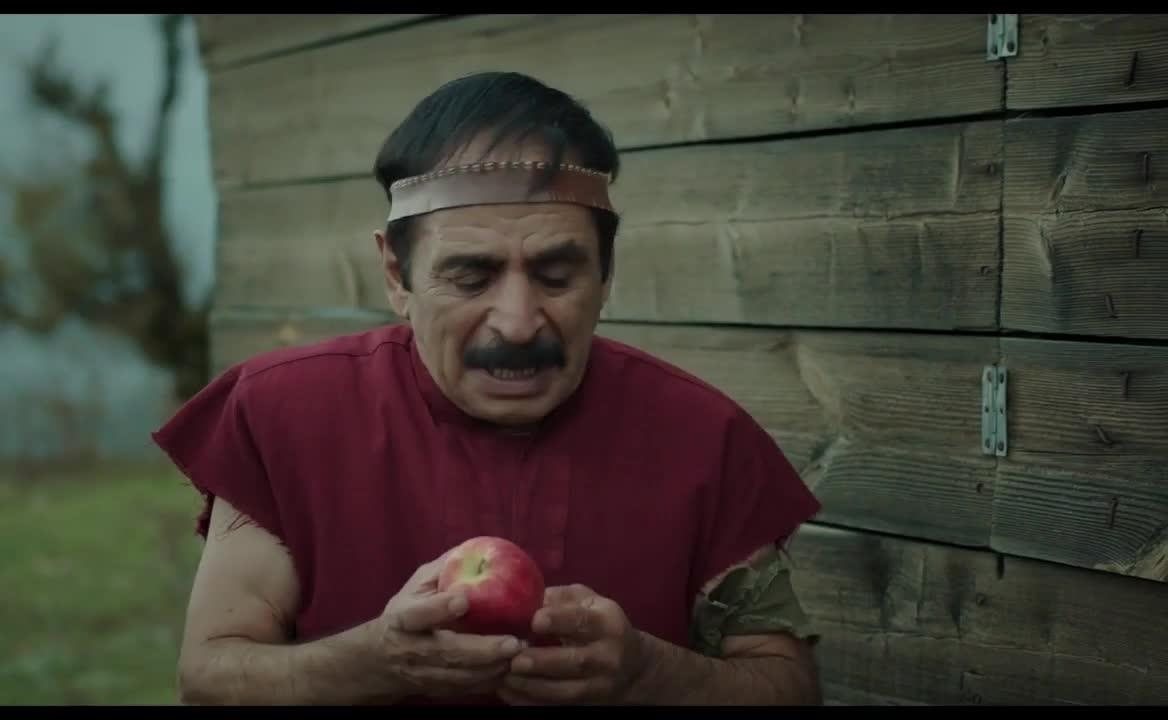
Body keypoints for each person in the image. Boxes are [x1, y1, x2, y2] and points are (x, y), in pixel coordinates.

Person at [154, 71, 824, 706]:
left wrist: (650, 675)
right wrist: (373, 661)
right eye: (471, 277)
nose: (518, 322)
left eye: (557, 275)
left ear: (606, 272)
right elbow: (210, 676)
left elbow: (787, 685)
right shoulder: (285, 416)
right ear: (397, 275)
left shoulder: (702, 438)